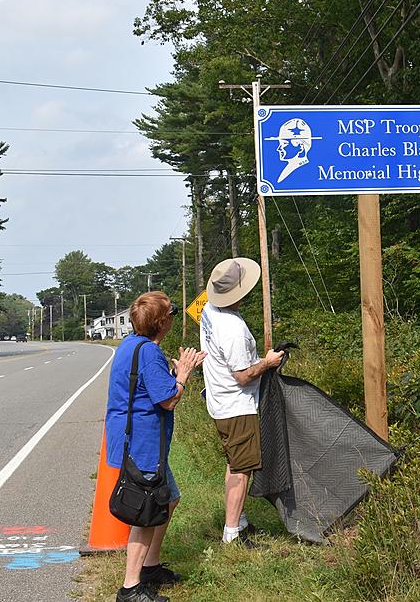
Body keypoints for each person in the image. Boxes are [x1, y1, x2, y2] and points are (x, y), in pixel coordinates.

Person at [105, 292, 205, 602]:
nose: (174, 317)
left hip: (135, 439)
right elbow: (168, 399)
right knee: (147, 511)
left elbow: (152, 388)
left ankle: (149, 567)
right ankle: (131, 588)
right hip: (142, 442)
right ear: (162, 323)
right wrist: (185, 373)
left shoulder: (131, 345)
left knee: (169, 499)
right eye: (171, 314)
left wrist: (174, 375)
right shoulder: (148, 352)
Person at [200, 257, 284, 546]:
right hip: (236, 405)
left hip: (218, 400)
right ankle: (232, 533)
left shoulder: (208, 310)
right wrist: (268, 362)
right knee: (241, 470)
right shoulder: (232, 329)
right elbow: (242, 376)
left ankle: (239, 519)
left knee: (234, 463)